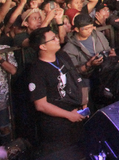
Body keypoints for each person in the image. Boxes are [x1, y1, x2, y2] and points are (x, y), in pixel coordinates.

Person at [27, 27, 88, 159]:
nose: (57, 39)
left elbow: (77, 78)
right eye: (52, 39)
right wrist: (68, 115)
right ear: (43, 46)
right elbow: (41, 104)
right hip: (57, 126)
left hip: (76, 116)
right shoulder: (37, 70)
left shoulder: (62, 56)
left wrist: (84, 102)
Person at [0, 31, 17, 149]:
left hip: (0, 99)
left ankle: (7, 154)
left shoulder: (4, 49)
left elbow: (13, 70)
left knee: (4, 129)